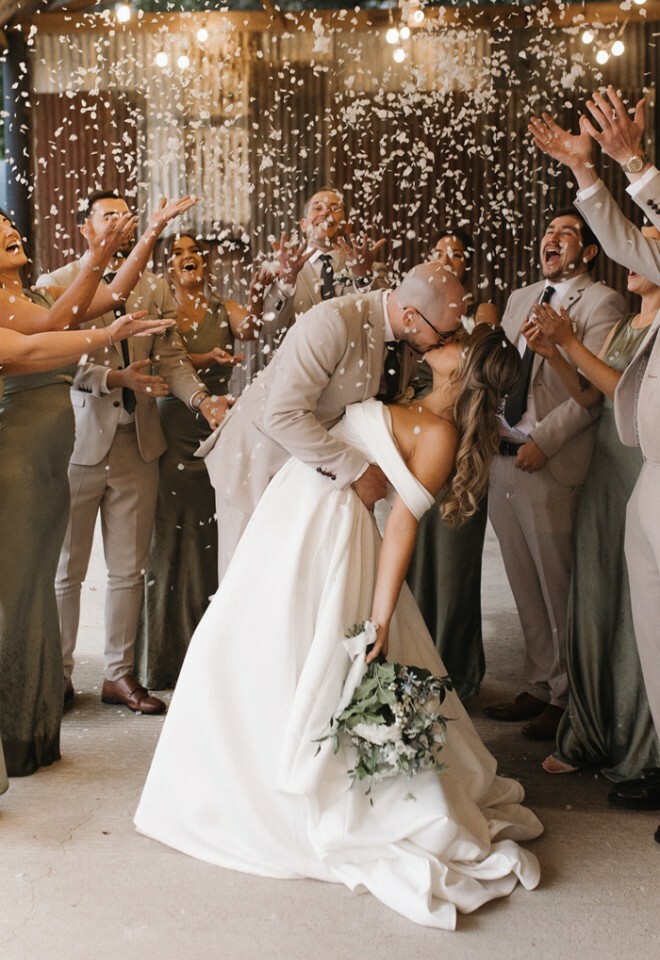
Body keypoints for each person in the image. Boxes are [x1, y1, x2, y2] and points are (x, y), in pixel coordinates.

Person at [135, 324, 544, 930]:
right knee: (234, 642)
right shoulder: (403, 392)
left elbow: (401, 526)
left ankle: (268, 796)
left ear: (466, 369)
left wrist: (379, 620)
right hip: (290, 514)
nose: (446, 333)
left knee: (299, 653)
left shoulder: (439, 434)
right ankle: (209, 786)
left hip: (330, 538)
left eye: (460, 338)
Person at [36, 190, 226, 717]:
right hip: (77, 443)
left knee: (128, 569)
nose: (120, 221)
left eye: (126, 214)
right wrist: (110, 377)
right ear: (85, 228)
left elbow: (171, 357)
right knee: (65, 572)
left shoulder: (152, 284)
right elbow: (48, 361)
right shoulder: (56, 286)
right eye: (108, 215)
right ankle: (60, 676)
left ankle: (119, 676)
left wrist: (202, 399)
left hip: (138, 444)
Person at [529, 87, 660, 834]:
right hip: (646, 473)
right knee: (645, 632)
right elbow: (626, 245)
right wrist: (587, 173)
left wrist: (630, 162)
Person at [0, 203, 169, 777]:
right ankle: (14, 732)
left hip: (49, 461)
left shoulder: (40, 301)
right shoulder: (20, 306)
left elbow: (106, 296)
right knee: (24, 588)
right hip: (16, 460)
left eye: (12, 228)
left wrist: (144, 237)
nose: (10, 234)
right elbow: (25, 351)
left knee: (35, 592)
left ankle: (36, 723)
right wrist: (106, 336)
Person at [200, 261, 466, 582]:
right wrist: (356, 470)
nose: (447, 342)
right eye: (445, 334)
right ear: (411, 317)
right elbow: (283, 416)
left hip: (304, 475)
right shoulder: (334, 322)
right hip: (257, 465)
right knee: (246, 588)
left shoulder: (409, 342)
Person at [484, 208, 626, 741]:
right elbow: (500, 373)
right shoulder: (522, 298)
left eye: (567, 233)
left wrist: (544, 441)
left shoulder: (602, 302)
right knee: (521, 581)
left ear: (588, 251)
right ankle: (540, 683)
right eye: (548, 231)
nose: (553, 239)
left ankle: (568, 697)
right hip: (502, 454)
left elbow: (593, 392)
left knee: (557, 585)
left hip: (551, 460)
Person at [523, 246, 660, 780]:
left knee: (637, 609)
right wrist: (554, 352)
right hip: (604, 468)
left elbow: (620, 389)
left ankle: (642, 746)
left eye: (643, 247)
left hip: (640, 463)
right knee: (594, 596)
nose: (630, 256)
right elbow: (586, 393)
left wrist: (570, 341)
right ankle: (591, 728)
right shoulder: (623, 324)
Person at [134, 233, 260, 690]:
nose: (188, 258)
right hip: (174, 426)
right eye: (178, 254)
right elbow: (163, 359)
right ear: (169, 268)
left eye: (194, 252)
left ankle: (211, 650)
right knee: (169, 535)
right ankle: (162, 658)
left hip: (219, 427)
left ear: (205, 264)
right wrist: (204, 357)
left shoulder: (225, 307)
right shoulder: (160, 308)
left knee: (213, 534)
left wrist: (268, 286)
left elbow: (256, 325)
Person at [406, 228, 499, 699]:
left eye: (456, 254)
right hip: (421, 447)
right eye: (439, 252)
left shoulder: (480, 313)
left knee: (455, 564)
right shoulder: (416, 317)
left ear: (466, 266)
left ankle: (456, 668)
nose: (447, 258)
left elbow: (481, 373)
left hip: (464, 450)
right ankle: (416, 663)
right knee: (416, 560)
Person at [260, 186, 389, 347]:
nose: (324, 213)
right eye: (317, 208)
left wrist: (363, 277)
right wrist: (286, 284)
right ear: (303, 224)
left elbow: (385, 322)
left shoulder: (373, 269)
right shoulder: (280, 269)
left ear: (348, 226)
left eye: (334, 208)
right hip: (299, 368)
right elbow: (268, 327)